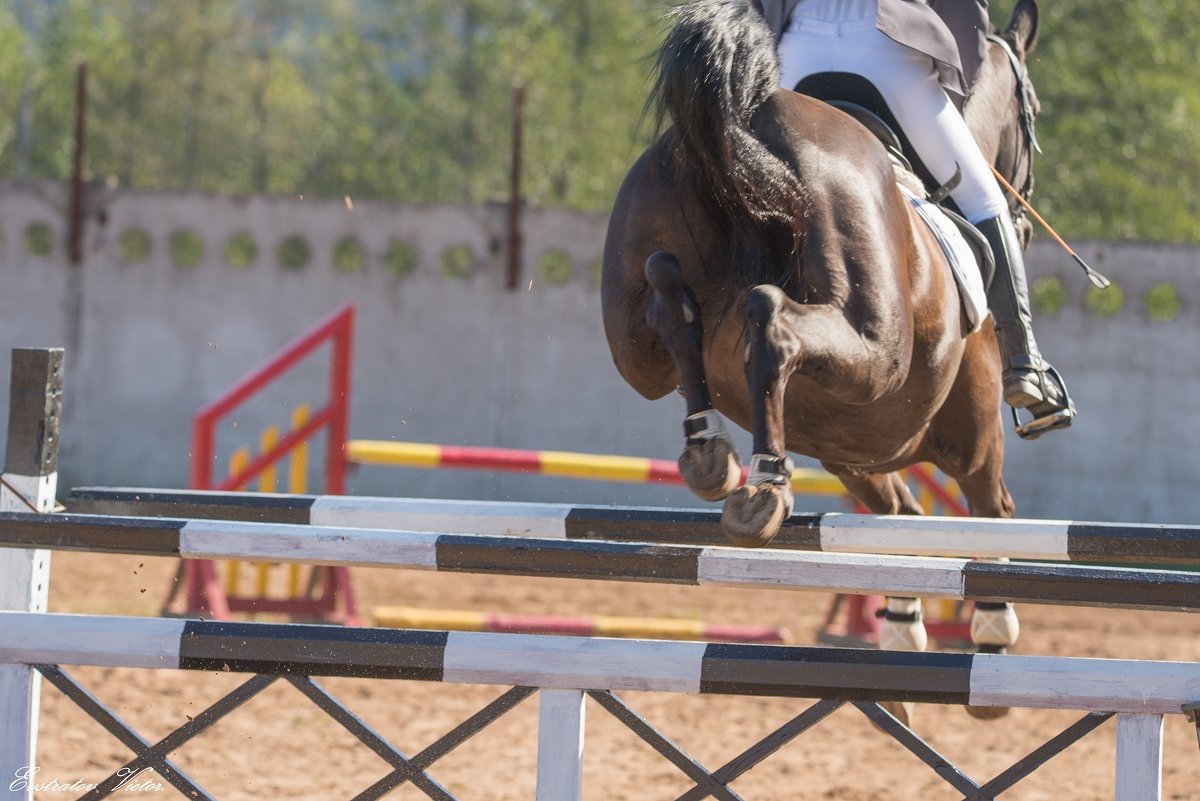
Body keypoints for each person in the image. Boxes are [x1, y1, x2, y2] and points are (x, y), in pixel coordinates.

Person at [753, 0, 1074, 438]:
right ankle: (1024, 364)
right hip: (886, 49)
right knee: (985, 202)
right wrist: (955, 76)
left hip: (795, 50)